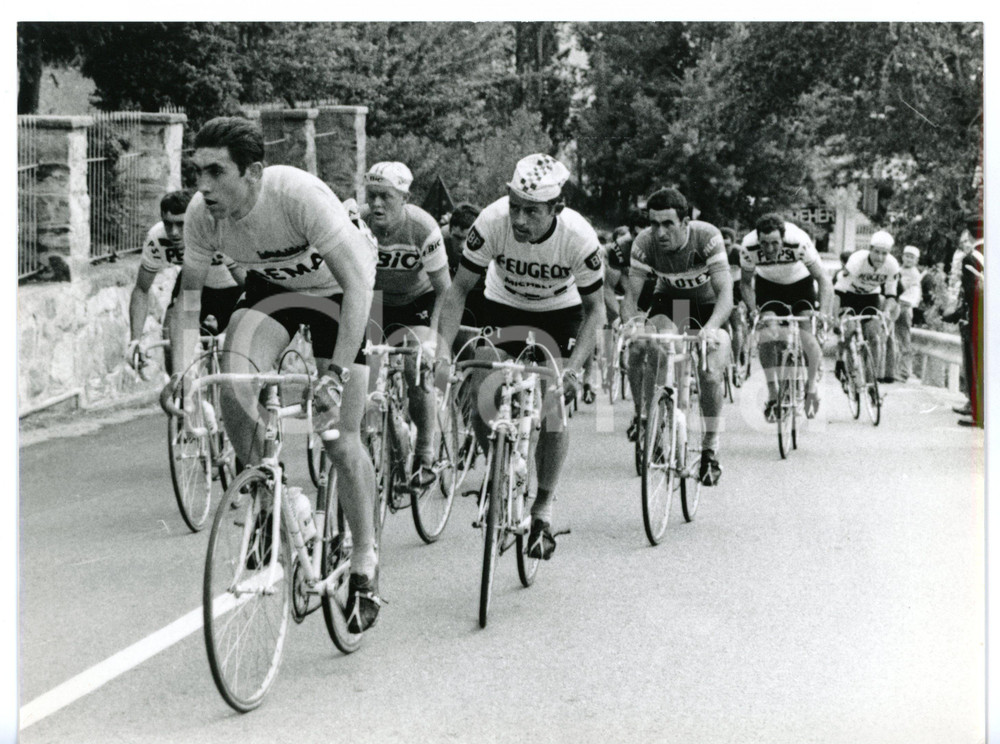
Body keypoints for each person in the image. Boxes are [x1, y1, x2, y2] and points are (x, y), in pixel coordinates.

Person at [174, 116, 381, 633]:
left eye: (216, 172)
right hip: (276, 291)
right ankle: (277, 499)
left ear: (253, 172)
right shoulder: (202, 215)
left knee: (339, 436)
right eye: (197, 171)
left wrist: (334, 374)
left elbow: (357, 288)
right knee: (231, 381)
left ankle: (365, 564)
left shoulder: (297, 196)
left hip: (343, 291)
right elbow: (189, 300)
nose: (203, 186)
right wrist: (184, 382)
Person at [436, 153, 605, 560]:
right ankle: (497, 466)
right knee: (481, 395)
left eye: (532, 211)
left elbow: (597, 310)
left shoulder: (579, 237)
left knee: (552, 407)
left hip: (558, 315)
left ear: (556, 209)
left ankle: (543, 507)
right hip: (503, 306)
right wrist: (441, 351)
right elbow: (457, 291)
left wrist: (573, 369)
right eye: (515, 206)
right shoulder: (492, 222)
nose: (520, 220)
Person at [621, 187, 732, 485]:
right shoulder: (643, 243)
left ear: (685, 223)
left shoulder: (706, 237)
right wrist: (632, 325)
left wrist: (710, 328)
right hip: (670, 303)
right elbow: (630, 297)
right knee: (643, 345)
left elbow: (725, 293)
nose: (659, 232)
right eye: (654, 223)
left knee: (709, 373)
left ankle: (709, 450)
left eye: (668, 223)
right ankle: (646, 418)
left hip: (707, 306)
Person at [362, 161, 452, 486]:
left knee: (417, 367)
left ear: (405, 197)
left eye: (385, 196)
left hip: (419, 302)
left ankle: (426, 451)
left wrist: (432, 342)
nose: (375, 204)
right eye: (371, 195)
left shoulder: (422, 227)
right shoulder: (359, 222)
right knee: (365, 374)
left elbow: (445, 289)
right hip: (375, 302)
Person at [126, 190, 244, 373]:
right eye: (168, 224)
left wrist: (231, 330)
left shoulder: (215, 232)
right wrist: (135, 340)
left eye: (181, 224)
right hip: (193, 289)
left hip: (234, 291)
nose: (173, 233)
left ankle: (269, 394)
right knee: (171, 340)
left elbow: (250, 287)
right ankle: (182, 394)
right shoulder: (157, 238)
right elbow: (141, 289)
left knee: (237, 361)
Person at [740, 213, 833, 419]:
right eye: (765, 244)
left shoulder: (799, 241)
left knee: (807, 335)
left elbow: (823, 279)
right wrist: (753, 309)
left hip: (801, 284)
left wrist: (823, 314)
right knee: (767, 333)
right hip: (769, 286)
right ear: (758, 239)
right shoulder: (748, 247)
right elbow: (745, 283)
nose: (770, 249)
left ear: (784, 238)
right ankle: (773, 393)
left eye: (775, 243)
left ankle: (811, 388)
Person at [832, 229, 900, 387]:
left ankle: (871, 382)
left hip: (870, 297)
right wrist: (835, 318)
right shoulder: (856, 260)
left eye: (884, 253)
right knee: (847, 331)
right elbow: (838, 292)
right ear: (870, 249)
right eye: (877, 252)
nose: (880, 257)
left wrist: (886, 311)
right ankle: (840, 359)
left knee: (875, 338)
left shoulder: (892, 265)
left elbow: (891, 295)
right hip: (848, 295)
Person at [942, 214, 984, 427]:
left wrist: (957, 314)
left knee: (975, 363)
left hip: (977, 319)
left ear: (969, 233)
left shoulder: (972, 258)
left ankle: (980, 413)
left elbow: (970, 294)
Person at [442, 202, 485, 330]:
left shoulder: (489, 241)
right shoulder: (439, 240)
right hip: (451, 292)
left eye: (466, 238)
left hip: (481, 294)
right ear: (450, 231)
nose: (461, 246)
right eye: (457, 237)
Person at [891, 245, 923, 381]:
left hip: (904, 306)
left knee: (904, 340)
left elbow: (899, 288)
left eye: (912, 257)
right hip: (897, 305)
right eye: (907, 256)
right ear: (902, 257)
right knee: (895, 339)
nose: (909, 259)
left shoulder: (913, 273)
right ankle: (896, 370)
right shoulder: (899, 269)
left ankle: (904, 372)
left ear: (916, 260)